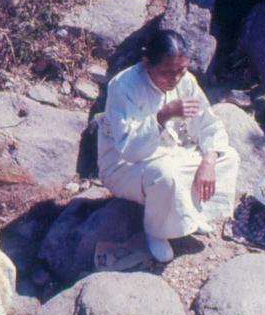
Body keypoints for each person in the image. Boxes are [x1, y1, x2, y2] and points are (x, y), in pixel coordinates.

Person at [96, 30, 240, 263]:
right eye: (167, 72)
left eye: (181, 70)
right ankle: (158, 230)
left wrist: (209, 162)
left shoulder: (186, 82)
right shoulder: (123, 86)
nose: (174, 79)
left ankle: (190, 214)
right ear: (147, 64)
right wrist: (162, 116)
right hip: (124, 165)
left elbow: (209, 126)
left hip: (173, 152)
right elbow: (129, 149)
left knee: (228, 157)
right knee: (165, 174)